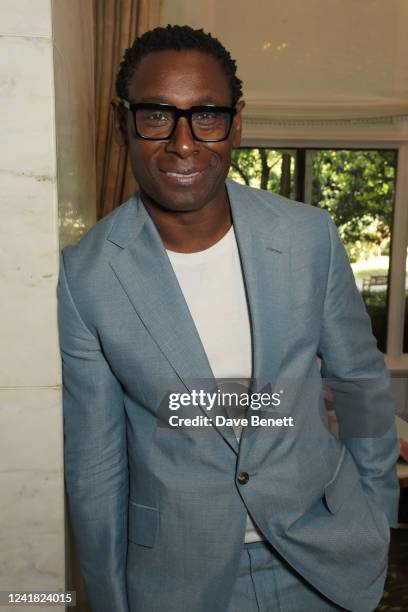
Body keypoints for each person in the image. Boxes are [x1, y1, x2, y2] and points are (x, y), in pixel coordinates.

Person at [57, 25, 400, 612]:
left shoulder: (306, 237)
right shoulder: (85, 277)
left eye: (206, 116)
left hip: (324, 559)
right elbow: (96, 463)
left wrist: (376, 511)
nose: (183, 144)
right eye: (157, 116)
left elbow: (360, 385)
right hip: (176, 578)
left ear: (235, 123)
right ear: (124, 124)